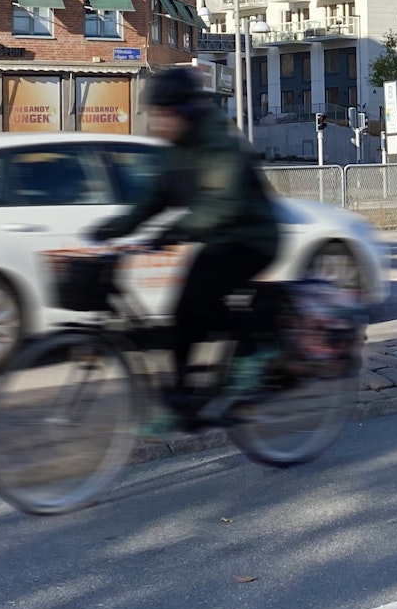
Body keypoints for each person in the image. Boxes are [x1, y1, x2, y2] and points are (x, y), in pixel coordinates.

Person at [90, 68, 281, 426]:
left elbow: (223, 202)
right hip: (217, 238)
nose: (157, 123)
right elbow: (155, 198)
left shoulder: (217, 143)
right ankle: (182, 402)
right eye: (155, 114)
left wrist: (175, 230)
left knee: (196, 301)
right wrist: (114, 228)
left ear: (183, 112)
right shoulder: (177, 150)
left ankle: (255, 353)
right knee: (181, 311)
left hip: (253, 238)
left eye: (163, 114)